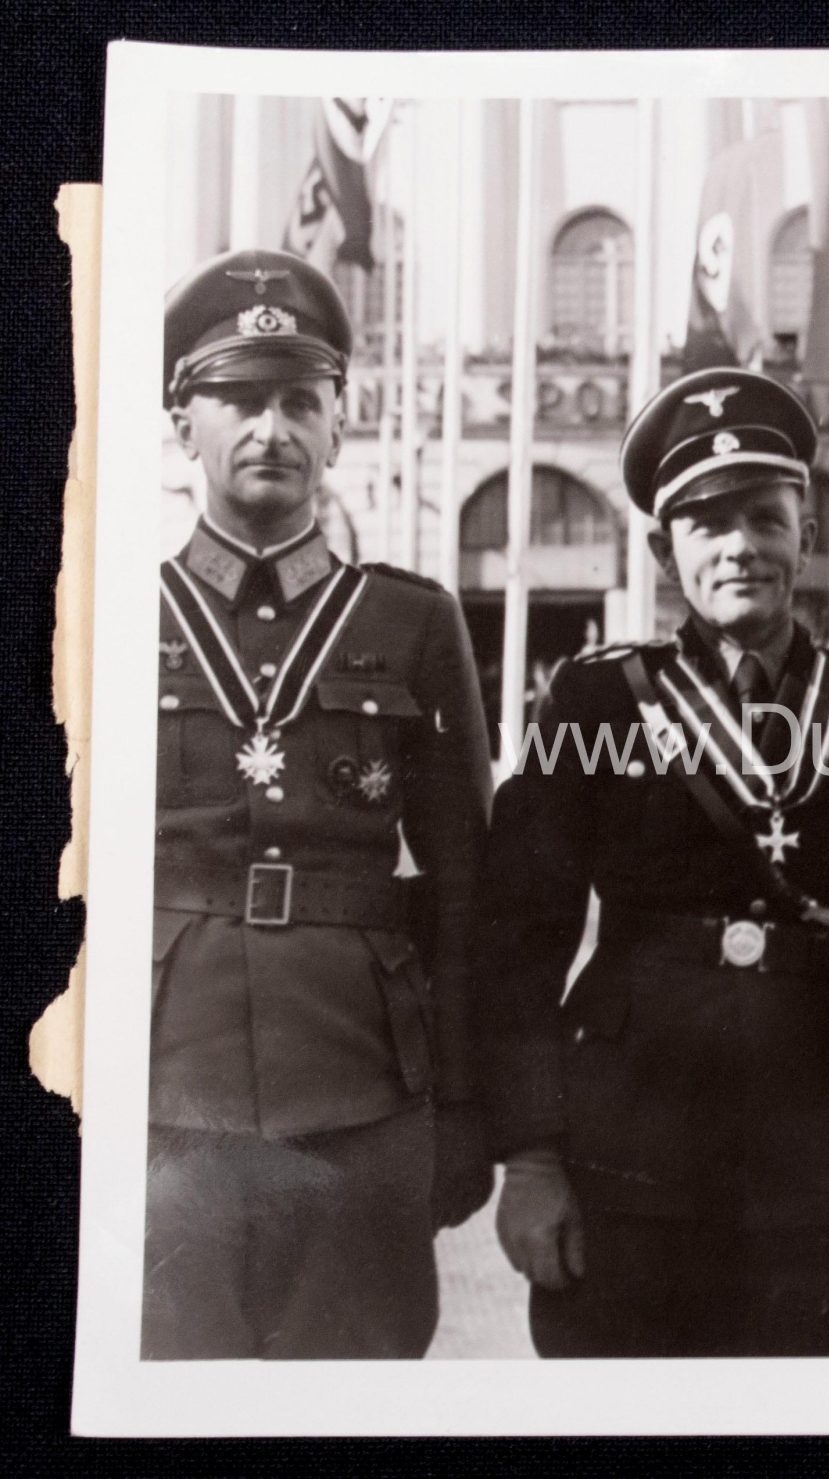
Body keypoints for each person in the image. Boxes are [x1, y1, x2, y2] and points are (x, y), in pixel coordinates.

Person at [482, 368, 829, 1358]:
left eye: (764, 515)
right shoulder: (597, 705)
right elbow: (519, 940)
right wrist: (530, 1162)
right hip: (631, 1154)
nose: (741, 547)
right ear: (666, 550)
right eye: (708, 525)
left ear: (807, 530)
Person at [147, 249, 494, 1358]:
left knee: (352, 1386)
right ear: (182, 423)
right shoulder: (112, 613)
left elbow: (464, 884)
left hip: (361, 1088)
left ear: (340, 426)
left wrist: (463, 1109)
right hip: (162, 1081)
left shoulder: (413, 623)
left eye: (302, 402)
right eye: (239, 400)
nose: (271, 429)